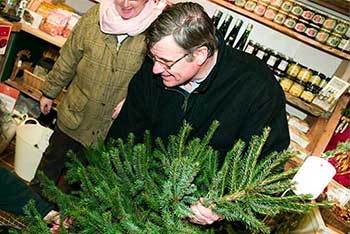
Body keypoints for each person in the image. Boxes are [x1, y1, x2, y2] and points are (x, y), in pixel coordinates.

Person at [106, 2, 290, 227]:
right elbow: (123, 137)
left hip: (204, 222)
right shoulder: (156, 70)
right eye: (153, 58)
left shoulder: (256, 87)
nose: (155, 69)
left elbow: (266, 167)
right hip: (142, 202)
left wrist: (224, 206)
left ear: (201, 54)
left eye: (165, 61)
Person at [37, 0, 167, 185]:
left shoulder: (157, 29)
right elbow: (69, 56)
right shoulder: (95, 16)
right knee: (49, 168)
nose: (125, 3)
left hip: (111, 127)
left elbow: (159, 79)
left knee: (81, 185)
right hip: (76, 113)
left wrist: (133, 100)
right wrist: (50, 91)